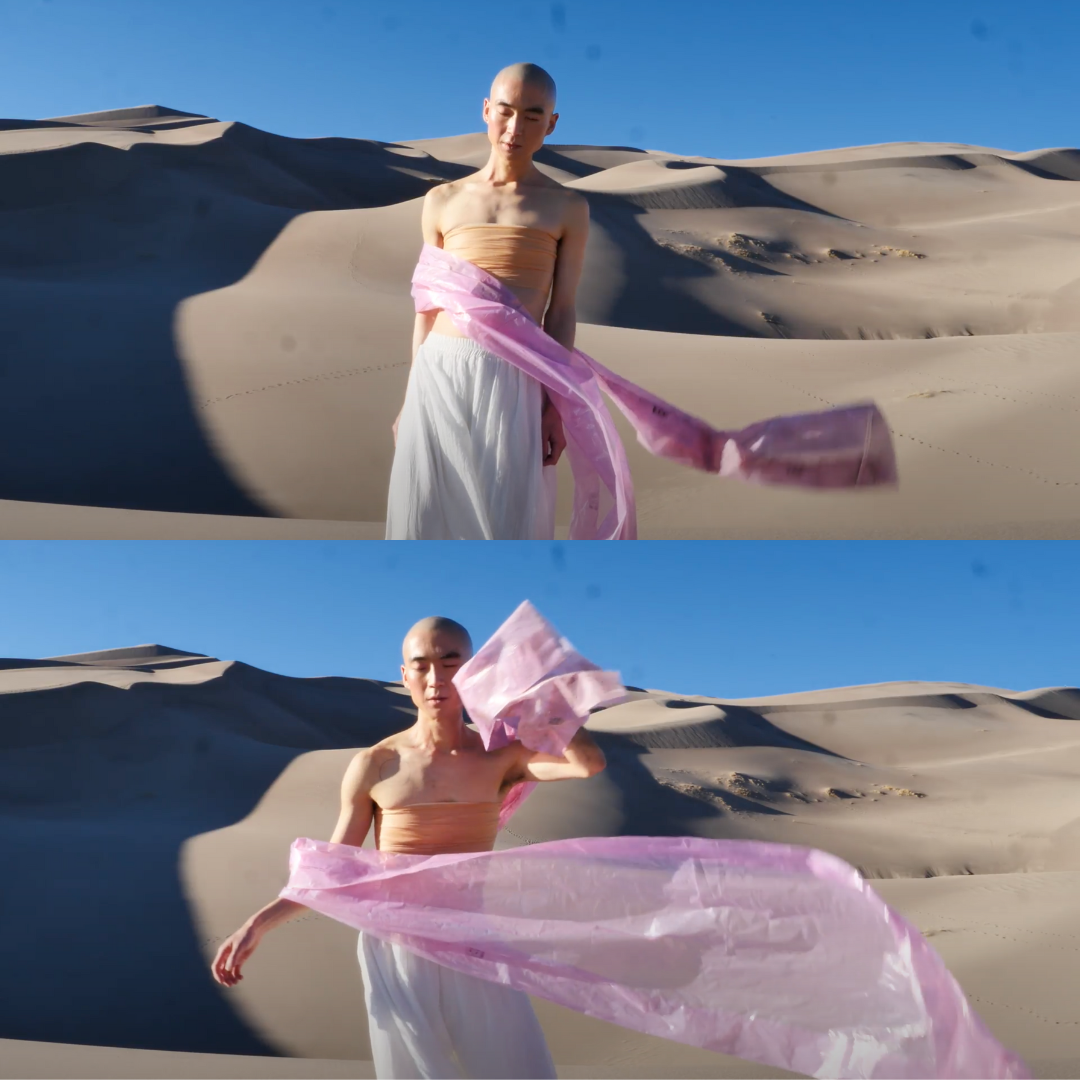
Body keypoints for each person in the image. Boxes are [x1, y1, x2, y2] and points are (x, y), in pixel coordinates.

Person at [210, 616, 607, 1079]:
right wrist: (257, 924)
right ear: (405, 676)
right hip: (395, 945)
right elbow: (332, 869)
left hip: (475, 940)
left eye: (451, 662)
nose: (436, 679)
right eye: (421, 666)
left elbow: (587, 764)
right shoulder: (375, 764)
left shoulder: (501, 758)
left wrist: (535, 705)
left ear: (474, 669)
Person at [385, 62, 581, 540]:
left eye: (533, 116)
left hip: (516, 378)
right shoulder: (441, 200)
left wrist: (556, 406)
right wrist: (412, 395)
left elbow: (562, 311)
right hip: (438, 375)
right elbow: (426, 310)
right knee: (423, 516)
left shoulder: (568, 207)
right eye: (506, 111)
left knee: (505, 521)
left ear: (552, 124)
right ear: (486, 110)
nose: (515, 128)